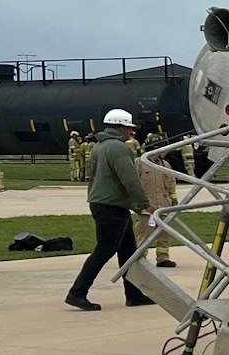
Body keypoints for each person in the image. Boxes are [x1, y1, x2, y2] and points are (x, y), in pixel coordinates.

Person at [65, 109, 153, 312]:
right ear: (120, 127)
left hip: (105, 204)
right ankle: (77, 292)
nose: (131, 133)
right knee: (104, 250)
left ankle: (134, 294)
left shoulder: (99, 146)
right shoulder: (119, 148)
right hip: (111, 206)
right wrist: (144, 204)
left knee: (128, 252)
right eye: (129, 128)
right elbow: (130, 180)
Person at [137, 133, 179, 268]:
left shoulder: (165, 165)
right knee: (144, 234)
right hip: (147, 207)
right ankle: (139, 258)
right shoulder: (140, 164)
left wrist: (173, 200)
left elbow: (171, 184)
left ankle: (163, 258)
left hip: (163, 206)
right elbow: (134, 184)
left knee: (164, 234)